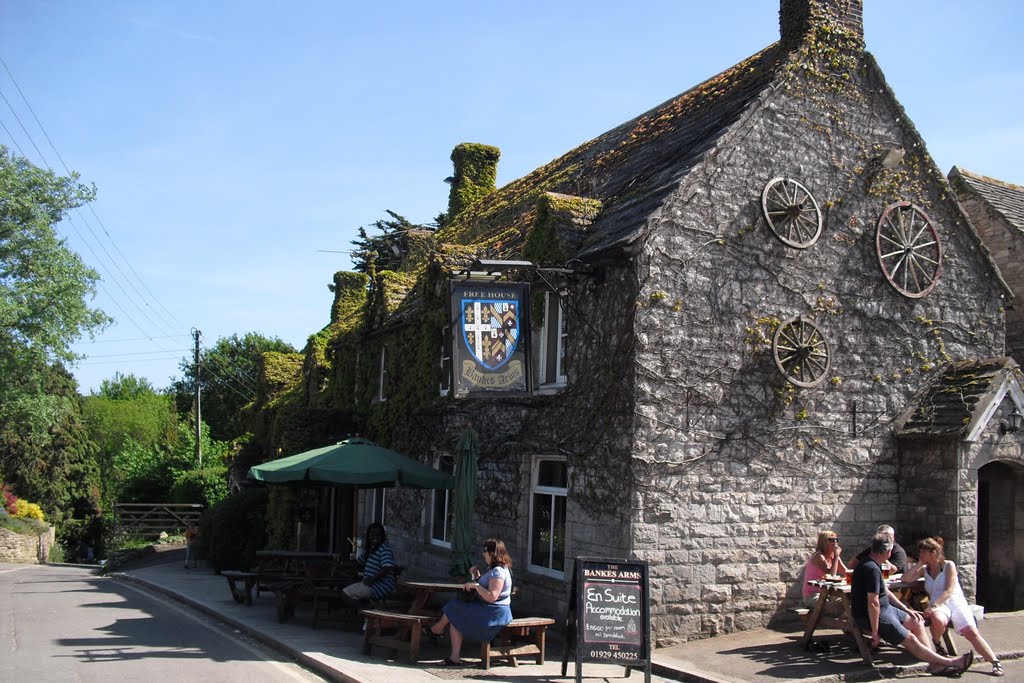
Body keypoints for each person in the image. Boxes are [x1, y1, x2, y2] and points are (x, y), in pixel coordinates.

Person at [851, 533, 972, 676]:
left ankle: (934, 663)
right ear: (887, 551)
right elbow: (873, 603)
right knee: (910, 639)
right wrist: (875, 631)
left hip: (887, 609)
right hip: (873, 615)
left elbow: (886, 593)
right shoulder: (870, 569)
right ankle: (950, 663)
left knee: (916, 621)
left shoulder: (873, 564)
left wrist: (906, 609)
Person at [902, 537, 1002, 677]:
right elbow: (905, 579)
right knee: (937, 618)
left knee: (970, 632)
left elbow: (949, 590)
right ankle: (937, 644)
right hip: (939, 605)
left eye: (923, 552)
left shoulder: (949, 565)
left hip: (954, 601)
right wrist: (919, 564)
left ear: (933, 553)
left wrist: (934, 605)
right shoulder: (925, 569)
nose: (920, 554)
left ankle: (994, 661)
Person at [430, 538, 513, 666]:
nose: (483, 554)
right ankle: (454, 656)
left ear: (492, 553)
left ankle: (437, 629)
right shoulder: (495, 569)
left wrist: (475, 585)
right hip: (491, 610)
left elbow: (492, 596)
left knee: (454, 607)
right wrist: (476, 576)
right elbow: (485, 586)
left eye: (485, 551)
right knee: (455, 612)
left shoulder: (498, 571)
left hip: (494, 613)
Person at [342, 522, 396, 603]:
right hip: (369, 583)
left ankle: (363, 611)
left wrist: (372, 579)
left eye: (378, 535)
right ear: (368, 535)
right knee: (348, 586)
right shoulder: (371, 550)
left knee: (344, 594)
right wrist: (341, 564)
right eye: (372, 534)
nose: (375, 537)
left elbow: (387, 567)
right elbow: (357, 562)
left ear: (383, 536)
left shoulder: (384, 550)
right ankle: (366, 609)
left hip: (380, 586)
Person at [802, 530, 848, 607]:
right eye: (832, 540)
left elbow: (846, 572)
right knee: (835, 609)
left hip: (829, 593)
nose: (835, 542)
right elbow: (831, 575)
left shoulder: (834, 556)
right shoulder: (818, 556)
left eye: (836, 540)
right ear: (824, 542)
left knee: (848, 603)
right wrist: (836, 557)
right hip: (813, 595)